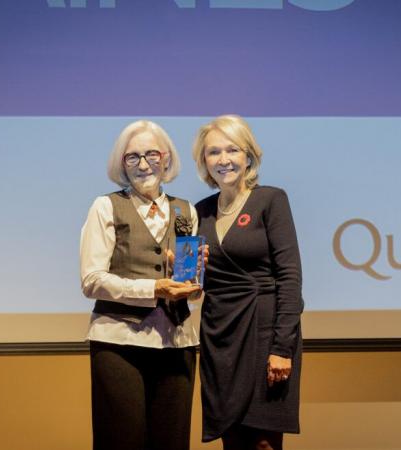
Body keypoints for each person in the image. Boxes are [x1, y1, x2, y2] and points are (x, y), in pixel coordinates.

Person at [80, 120, 202, 450]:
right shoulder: (105, 206)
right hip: (118, 343)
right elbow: (91, 281)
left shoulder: (184, 209)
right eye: (132, 157)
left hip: (176, 343)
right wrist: (152, 289)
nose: (143, 164)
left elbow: (188, 282)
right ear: (122, 163)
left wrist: (194, 281)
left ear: (166, 158)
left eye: (151, 154)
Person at [191, 115, 304, 450]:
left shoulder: (271, 200)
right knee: (234, 442)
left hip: (264, 333)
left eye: (232, 150)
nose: (223, 159)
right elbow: (194, 284)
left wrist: (282, 348)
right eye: (214, 152)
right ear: (204, 161)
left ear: (248, 156)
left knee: (264, 444)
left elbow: (290, 276)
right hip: (219, 338)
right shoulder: (200, 212)